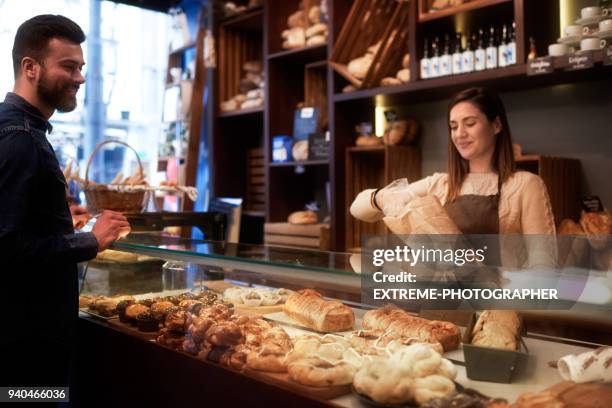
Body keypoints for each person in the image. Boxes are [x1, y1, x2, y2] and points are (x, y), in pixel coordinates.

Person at [0, 15, 130, 388]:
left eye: (81, 67)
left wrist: (56, 217)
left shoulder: (15, 128)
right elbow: (5, 246)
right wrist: (90, 240)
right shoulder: (19, 138)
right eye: (69, 66)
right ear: (30, 67)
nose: (80, 77)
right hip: (24, 347)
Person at [350, 87, 556, 270]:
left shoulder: (526, 185)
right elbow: (357, 208)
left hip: (498, 305)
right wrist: (382, 198)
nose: (460, 134)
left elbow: (544, 265)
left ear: (496, 125)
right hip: (441, 306)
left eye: (470, 123)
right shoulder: (440, 184)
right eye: (454, 126)